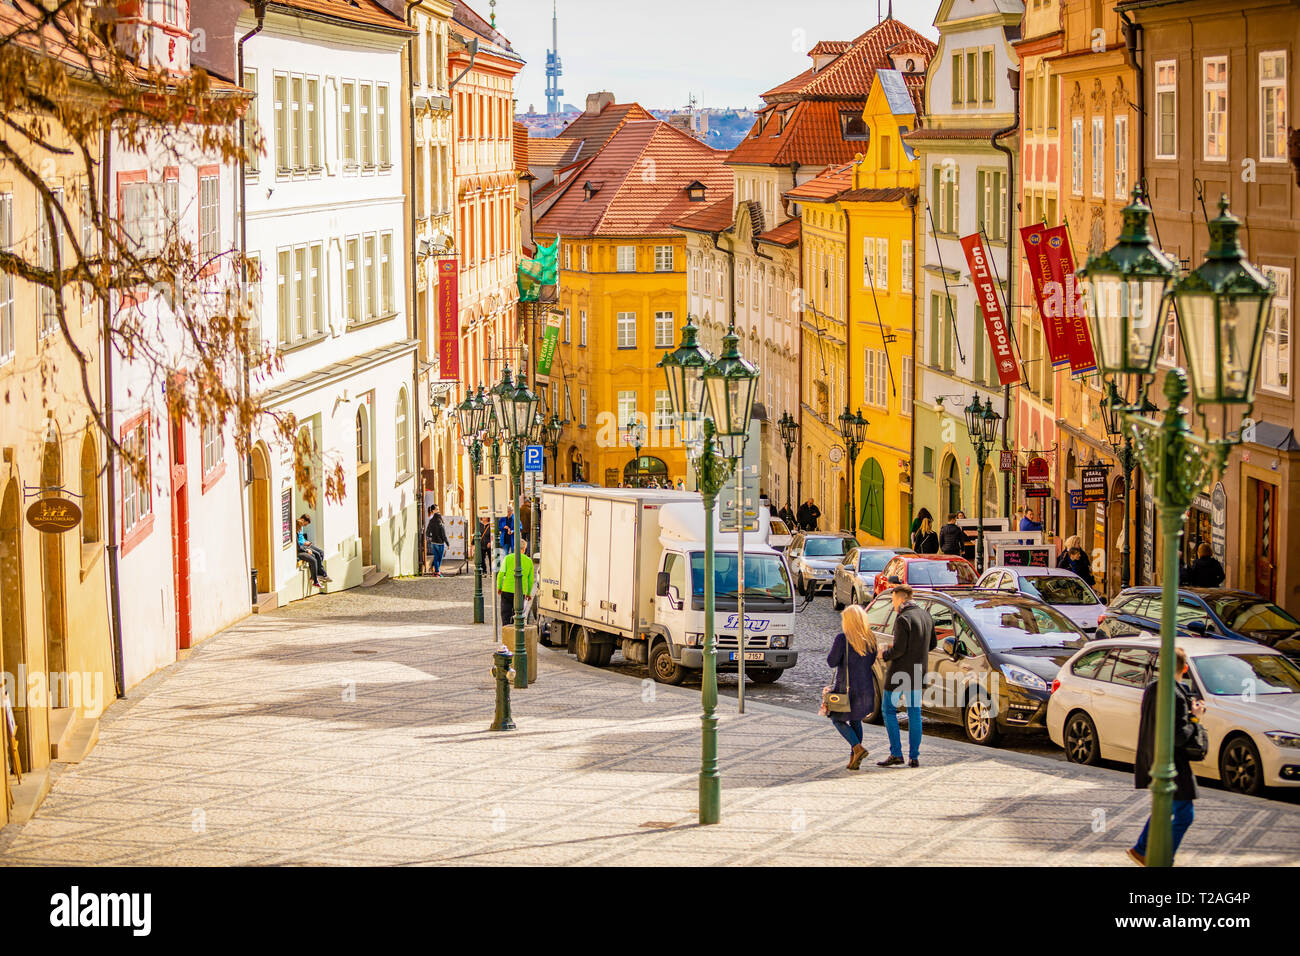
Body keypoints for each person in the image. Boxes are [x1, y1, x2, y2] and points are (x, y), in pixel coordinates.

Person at [1128, 648, 1204, 866]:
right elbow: (1179, 737)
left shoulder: (1153, 688)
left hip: (1152, 758)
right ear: (1185, 668)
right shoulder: (1176, 695)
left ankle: (1142, 849)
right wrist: (1196, 718)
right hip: (1172, 764)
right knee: (1184, 814)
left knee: (1168, 807)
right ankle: (1160, 857)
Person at [877, 584, 932, 768]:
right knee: (914, 713)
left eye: (893, 600)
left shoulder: (903, 618)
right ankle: (914, 757)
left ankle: (896, 753)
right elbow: (932, 644)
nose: (893, 604)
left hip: (899, 673)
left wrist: (884, 654)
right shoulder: (925, 615)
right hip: (918, 671)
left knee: (888, 710)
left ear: (901, 598)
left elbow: (899, 649)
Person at [824, 605, 878, 771]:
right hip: (866, 687)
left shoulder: (842, 639)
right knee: (855, 720)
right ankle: (854, 759)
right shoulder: (870, 638)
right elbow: (872, 660)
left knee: (836, 719)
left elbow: (831, 661)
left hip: (846, 688)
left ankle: (857, 748)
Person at [496, 539, 535, 629]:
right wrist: (528, 593)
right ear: (524, 549)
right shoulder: (529, 561)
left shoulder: (507, 558)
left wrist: (499, 587)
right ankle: (516, 633)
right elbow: (530, 580)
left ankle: (506, 632)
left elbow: (500, 575)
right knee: (517, 615)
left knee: (505, 614)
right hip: (520, 592)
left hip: (506, 591)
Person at [296, 514, 331, 589]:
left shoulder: (300, 526)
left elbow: (301, 538)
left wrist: (306, 542)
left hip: (305, 544)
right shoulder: (297, 527)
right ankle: (320, 574)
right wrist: (305, 546)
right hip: (303, 546)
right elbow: (298, 543)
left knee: (321, 552)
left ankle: (319, 574)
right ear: (303, 520)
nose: (305, 525)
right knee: (316, 555)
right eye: (306, 523)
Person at [425, 504, 448, 576]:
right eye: (437, 509)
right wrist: (447, 543)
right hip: (440, 543)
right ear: (433, 511)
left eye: (438, 509)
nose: (438, 510)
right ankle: (437, 572)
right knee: (439, 558)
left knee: (436, 557)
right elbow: (443, 534)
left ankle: (435, 571)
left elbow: (427, 533)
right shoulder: (440, 521)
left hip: (433, 543)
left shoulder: (431, 520)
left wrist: (432, 537)